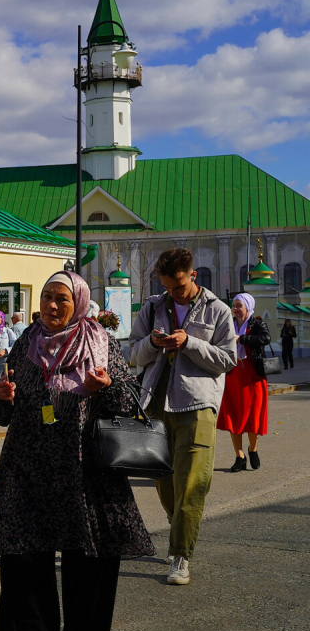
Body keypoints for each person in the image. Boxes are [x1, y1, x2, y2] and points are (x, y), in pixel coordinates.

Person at [0, 271, 154, 631]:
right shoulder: (27, 342)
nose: (53, 306)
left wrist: (104, 388)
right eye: (46, 297)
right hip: (28, 468)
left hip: (85, 470)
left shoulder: (99, 342)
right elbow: (3, 410)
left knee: (89, 562)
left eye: (61, 298)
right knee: (22, 559)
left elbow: (129, 402)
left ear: (78, 301)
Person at [128, 248, 236, 587]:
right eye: (167, 287)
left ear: (192, 275)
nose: (173, 293)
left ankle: (180, 555)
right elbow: (132, 353)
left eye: (178, 286)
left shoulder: (217, 310)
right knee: (165, 482)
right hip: (157, 403)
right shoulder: (153, 307)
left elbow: (228, 359)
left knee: (192, 482)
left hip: (197, 406)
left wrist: (188, 342)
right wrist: (153, 342)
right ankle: (181, 531)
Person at [219, 293, 270, 473]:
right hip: (233, 375)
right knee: (234, 416)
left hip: (253, 376)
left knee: (253, 416)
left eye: (239, 305)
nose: (235, 309)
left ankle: (253, 449)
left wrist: (242, 339)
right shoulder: (228, 324)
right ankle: (239, 456)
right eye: (234, 305)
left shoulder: (256, 324)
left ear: (248, 307)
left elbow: (265, 339)